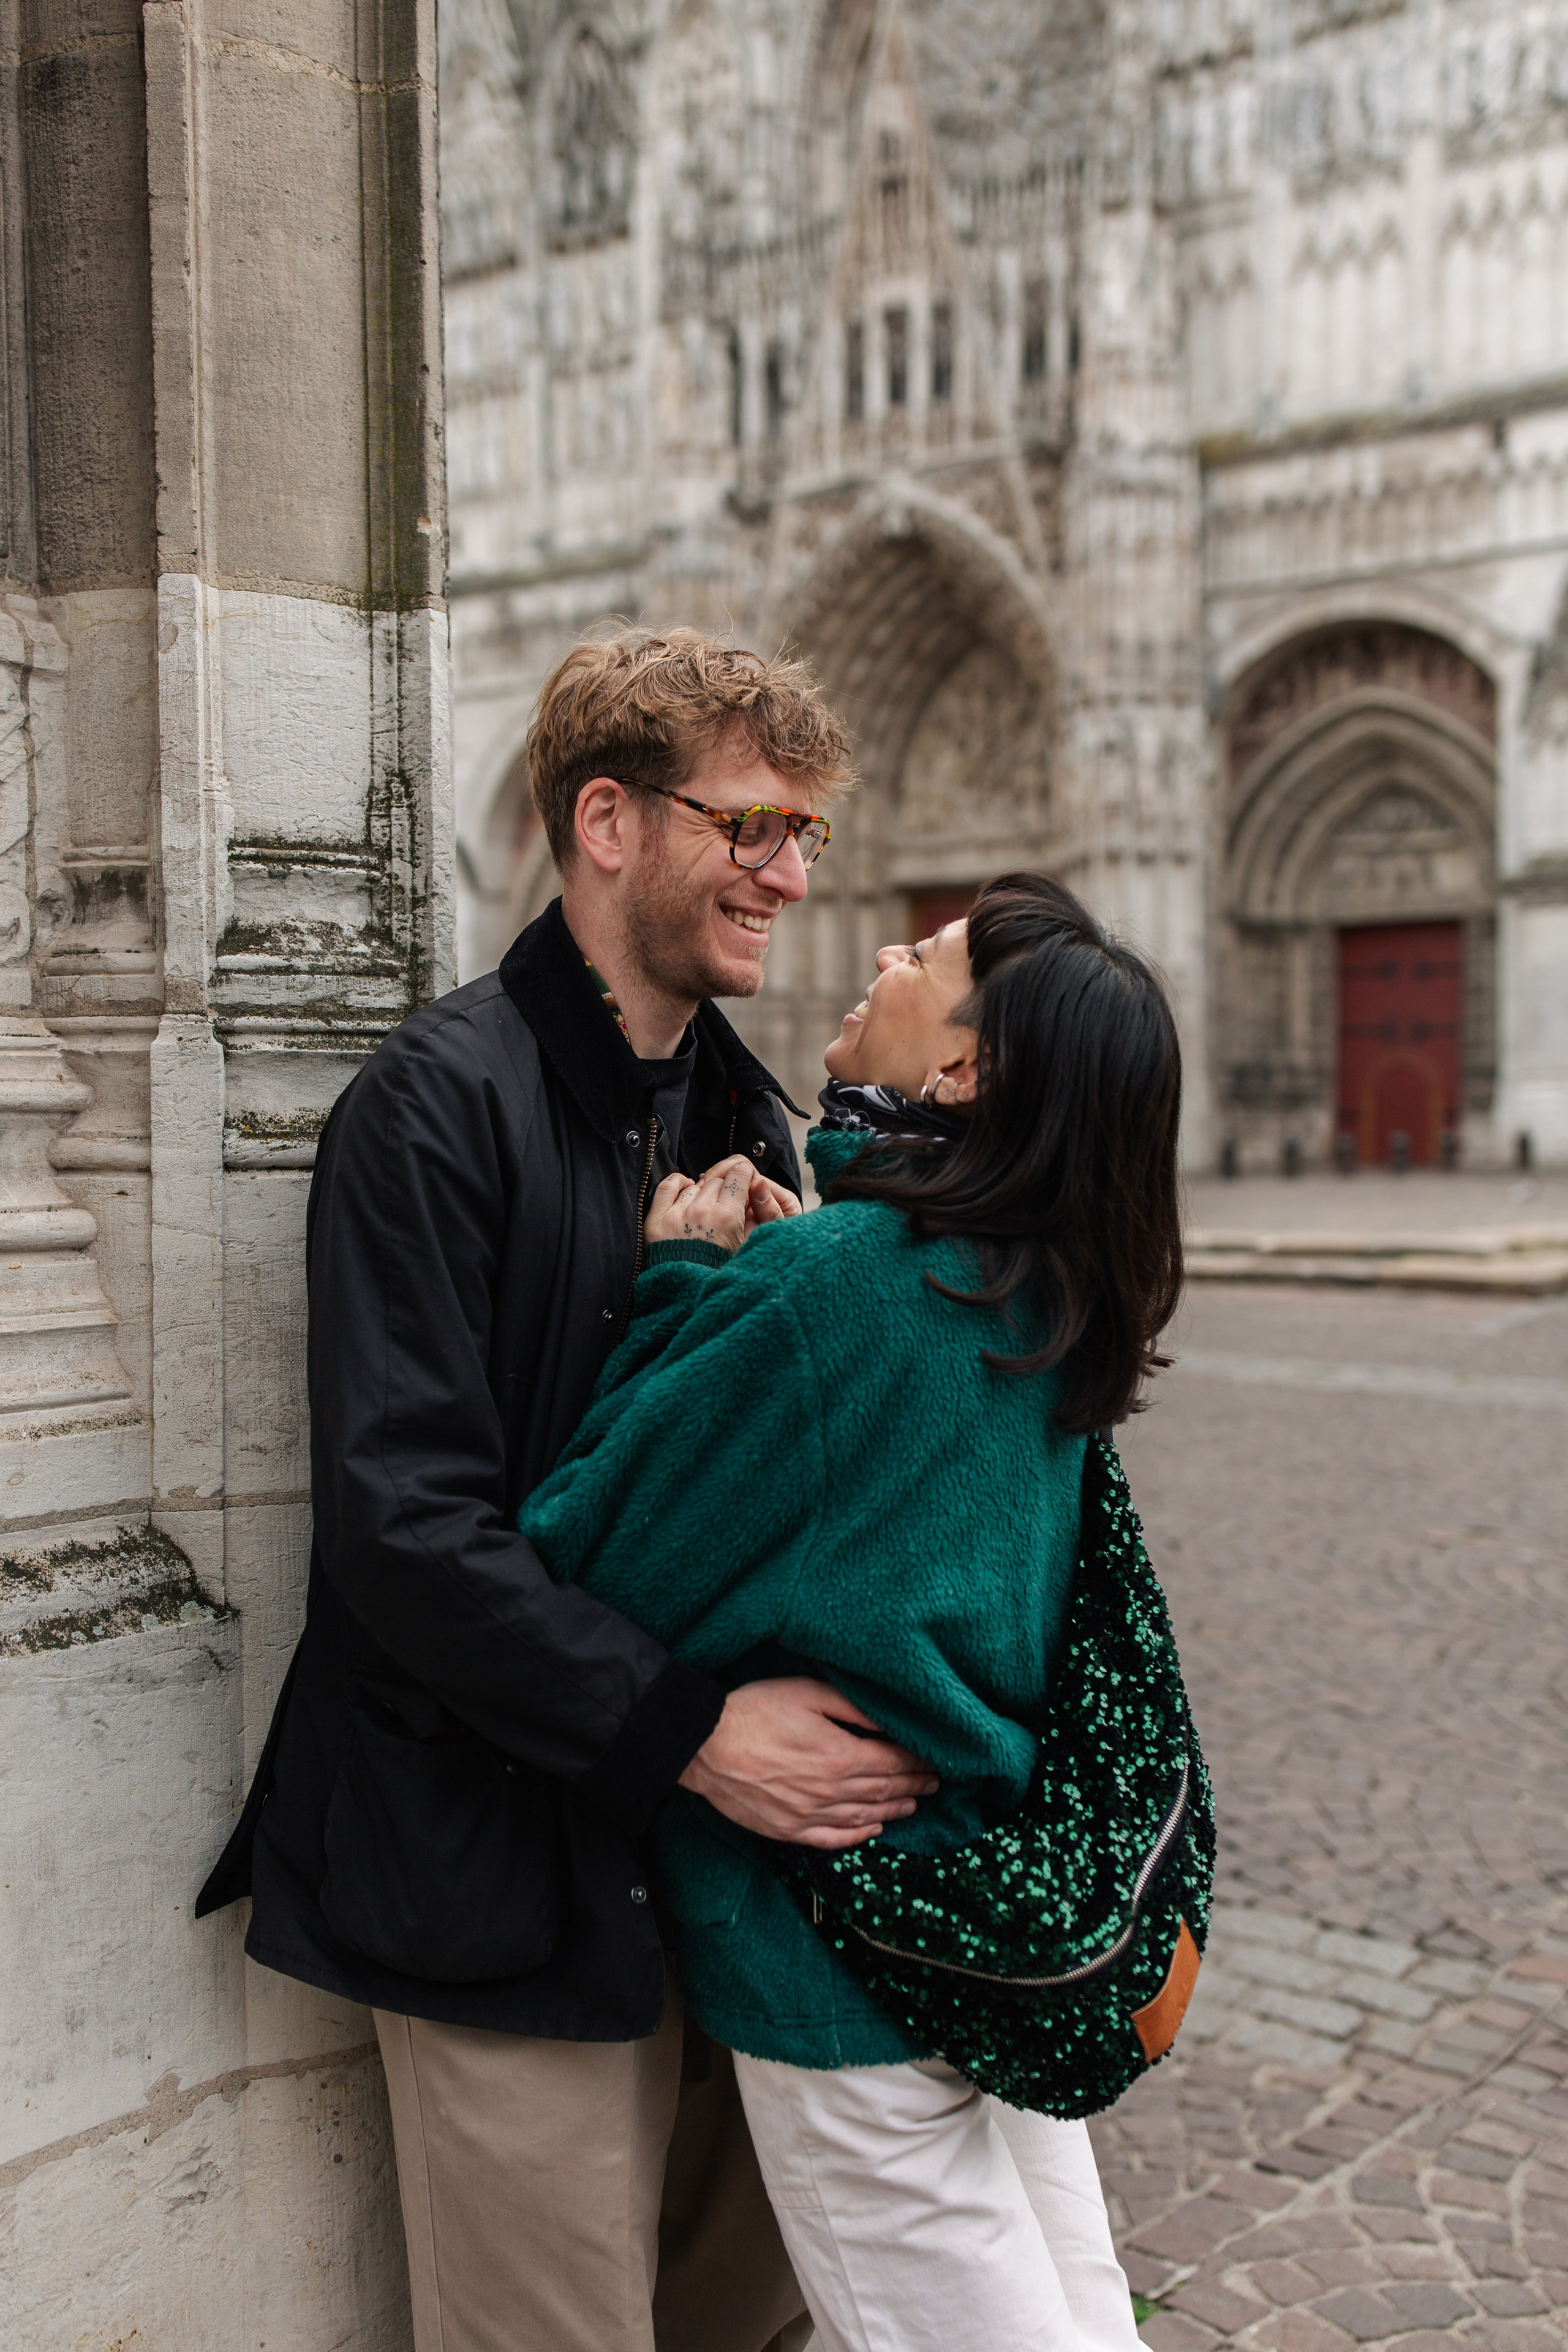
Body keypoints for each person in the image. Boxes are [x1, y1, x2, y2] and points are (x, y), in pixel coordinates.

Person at [195, 628, 942, 2352]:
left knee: (751, 2327)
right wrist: (696, 1729)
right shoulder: (433, 1104)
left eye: (806, 835)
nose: (791, 871)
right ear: (607, 823)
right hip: (495, 1868)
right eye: (751, 824)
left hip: (724, 1890)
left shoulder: (756, 1117)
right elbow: (407, 1534)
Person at [514, 872, 1185, 2352]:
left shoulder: (846, 1285)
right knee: (1081, 2320)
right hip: (991, 1905)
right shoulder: (1048, 1279)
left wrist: (686, 1284)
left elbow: (582, 1545)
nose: (881, 948)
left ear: (964, 1069)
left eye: (925, 956)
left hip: (837, 1939)